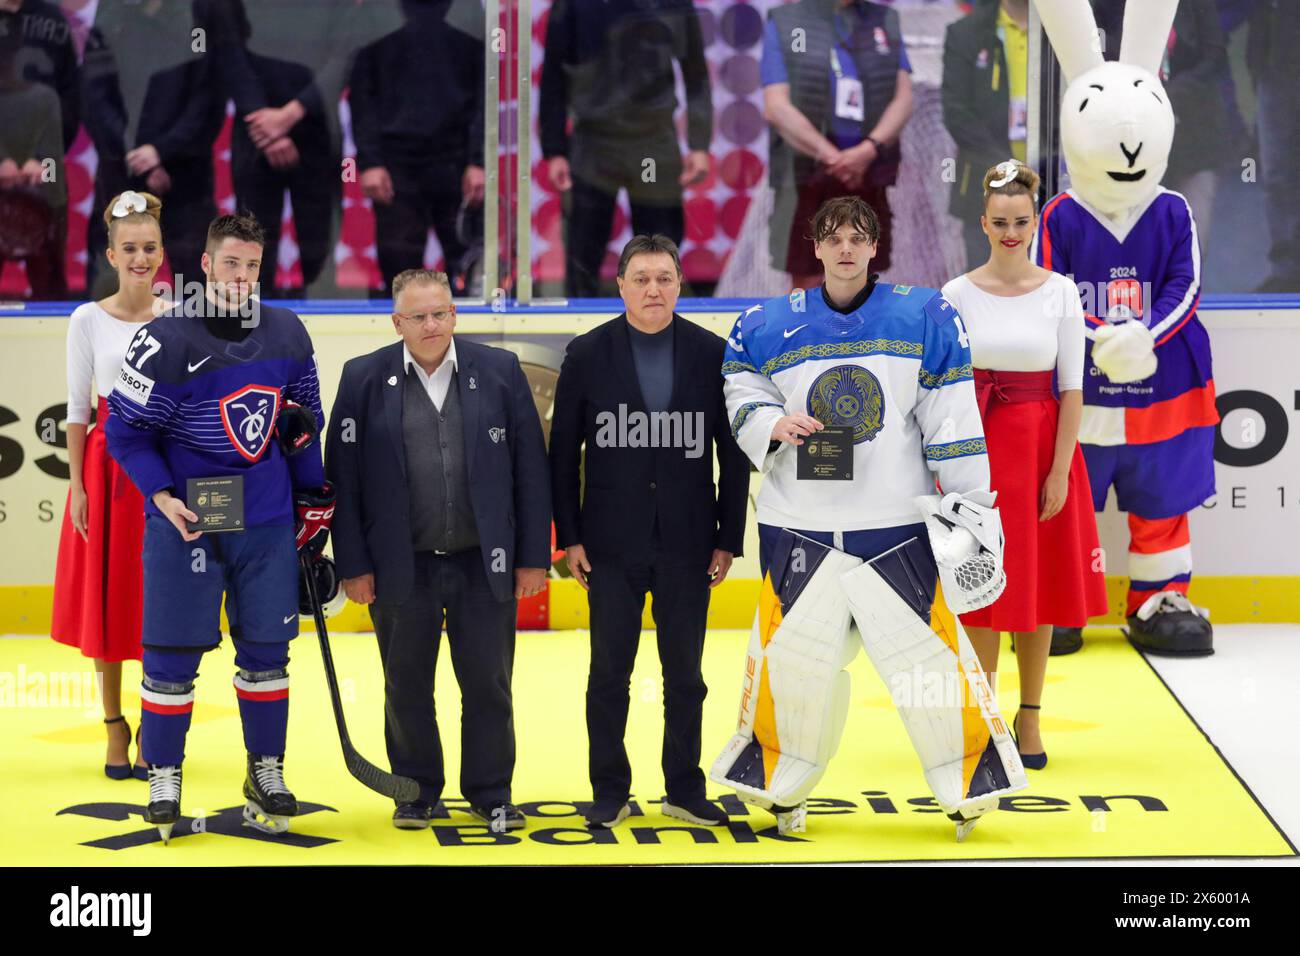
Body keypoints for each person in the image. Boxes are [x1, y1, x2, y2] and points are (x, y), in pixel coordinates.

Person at [713, 196, 1023, 836]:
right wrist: (772, 422)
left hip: (895, 525)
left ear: (875, 246)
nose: (847, 247)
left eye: (859, 237)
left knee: (928, 664)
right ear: (815, 247)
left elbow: (953, 419)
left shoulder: (926, 315)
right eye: (834, 237)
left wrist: (971, 513)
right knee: (794, 664)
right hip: (798, 524)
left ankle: (969, 780)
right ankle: (777, 785)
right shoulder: (766, 325)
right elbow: (740, 385)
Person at [105, 211, 331, 842]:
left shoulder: (287, 331)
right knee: (171, 654)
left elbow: (303, 426)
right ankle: (165, 772)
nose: (242, 277)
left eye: (253, 266)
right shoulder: (164, 338)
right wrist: (161, 496)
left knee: (266, 652)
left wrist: (315, 512)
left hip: (263, 517)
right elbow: (124, 434)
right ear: (204, 266)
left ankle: (266, 769)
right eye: (230, 263)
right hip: (189, 521)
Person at [325, 269, 551, 832]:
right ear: (396, 321)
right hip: (402, 564)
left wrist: (531, 557)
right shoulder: (362, 378)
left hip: (483, 562)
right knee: (405, 685)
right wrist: (353, 564)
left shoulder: (499, 372)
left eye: (441, 313)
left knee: (488, 684)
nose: (432, 325)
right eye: (419, 317)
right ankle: (416, 790)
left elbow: (530, 470)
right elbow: (342, 481)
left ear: (454, 314)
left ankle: (491, 791)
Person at [549, 234, 750, 829]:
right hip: (609, 545)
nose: (653, 289)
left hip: (689, 544)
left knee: (685, 676)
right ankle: (609, 789)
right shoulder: (587, 354)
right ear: (620, 286)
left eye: (664, 278)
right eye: (641, 278)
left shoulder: (712, 354)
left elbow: (732, 454)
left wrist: (728, 536)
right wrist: (571, 537)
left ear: (680, 284)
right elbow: (563, 456)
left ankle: (683, 789)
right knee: (609, 673)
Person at [941, 161, 1108, 768]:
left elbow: (1071, 389)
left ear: (1034, 222)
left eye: (1021, 222)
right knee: (980, 587)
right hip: (977, 454)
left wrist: (1060, 470)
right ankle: (983, 716)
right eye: (1000, 222)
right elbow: (943, 388)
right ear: (982, 223)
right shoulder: (954, 295)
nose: (1012, 232)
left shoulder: (1062, 291)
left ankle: (1029, 716)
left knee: (1033, 588)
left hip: (1040, 452)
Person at [52, 191, 169, 780]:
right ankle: (114, 724)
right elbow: (78, 410)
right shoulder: (86, 319)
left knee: (158, 600)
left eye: (149, 247)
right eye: (130, 249)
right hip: (106, 470)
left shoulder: (179, 319)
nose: (141, 258)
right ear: (111, 253)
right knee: (108, 599)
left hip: (165, 472)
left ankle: (157, 720)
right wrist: (78, 485)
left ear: (162, 252)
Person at [540, 0, 711, 298]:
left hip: (653, 139)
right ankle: (582, 339)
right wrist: (554, 148)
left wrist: (699, 144)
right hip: (594, 140)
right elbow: (554, 72)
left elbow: (695, 70)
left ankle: (663, 334)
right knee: (583, 252)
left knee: (660, 251)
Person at [761, 0, 913, 287]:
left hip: (869, 168)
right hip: (807, 172)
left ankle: (861, 334)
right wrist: (832, 157)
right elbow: (776, 106)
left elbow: (904, 98)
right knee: (808, 276)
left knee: (865, 272)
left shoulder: (884, 19)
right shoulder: (784, 20)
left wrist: (868, 150)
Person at [82, 0, 225, 298]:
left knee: (195, 282)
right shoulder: (110, 14)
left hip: (185, 173)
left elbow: (206, 96)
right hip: (121, 169)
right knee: (112, 274)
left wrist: (162, 152)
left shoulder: (198, 14)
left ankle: (198, 341)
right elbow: (96, 95)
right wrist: (136, 153)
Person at [349, 0, 485, 295]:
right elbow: (361, 94)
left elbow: (484, 93)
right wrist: (371, 161)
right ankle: (402, 336)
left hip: (456, 158)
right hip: (395, 159)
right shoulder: (377, 13)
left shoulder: (468, 10)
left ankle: (457, 338)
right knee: (398, 268)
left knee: (463, 266)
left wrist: (478, 161)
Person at [942, 0, 1054, 271]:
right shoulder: (966, 32)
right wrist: (1011, 171)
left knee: (1051, 291)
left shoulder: (1060, 32)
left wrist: (1046, 166)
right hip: (986, 185)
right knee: (986, 292)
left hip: (1053, 185)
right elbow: (957, 113)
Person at [0, 7, 66, 297]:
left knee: (49, 283)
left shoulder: (44, 97)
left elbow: (54, 151)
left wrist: (40, 164)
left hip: (40, 196)